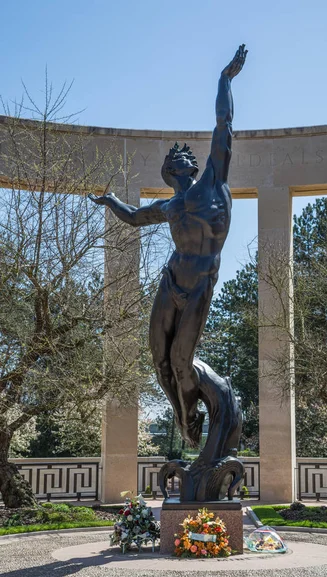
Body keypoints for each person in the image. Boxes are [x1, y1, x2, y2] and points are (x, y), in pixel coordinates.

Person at [89, 45, 247, 448]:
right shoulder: (170, 205)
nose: (177, 158)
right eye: (171, 158)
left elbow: (223, 124)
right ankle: (183, 417)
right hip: (171, 281)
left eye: (182, 156)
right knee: (159, 361)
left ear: (192, 168)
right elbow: (135, 217)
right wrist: (111, 202)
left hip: (198, 286)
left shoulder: (214, 182)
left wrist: (225, 79)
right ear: (167, 171)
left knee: (181, 361)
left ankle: (195, 413)